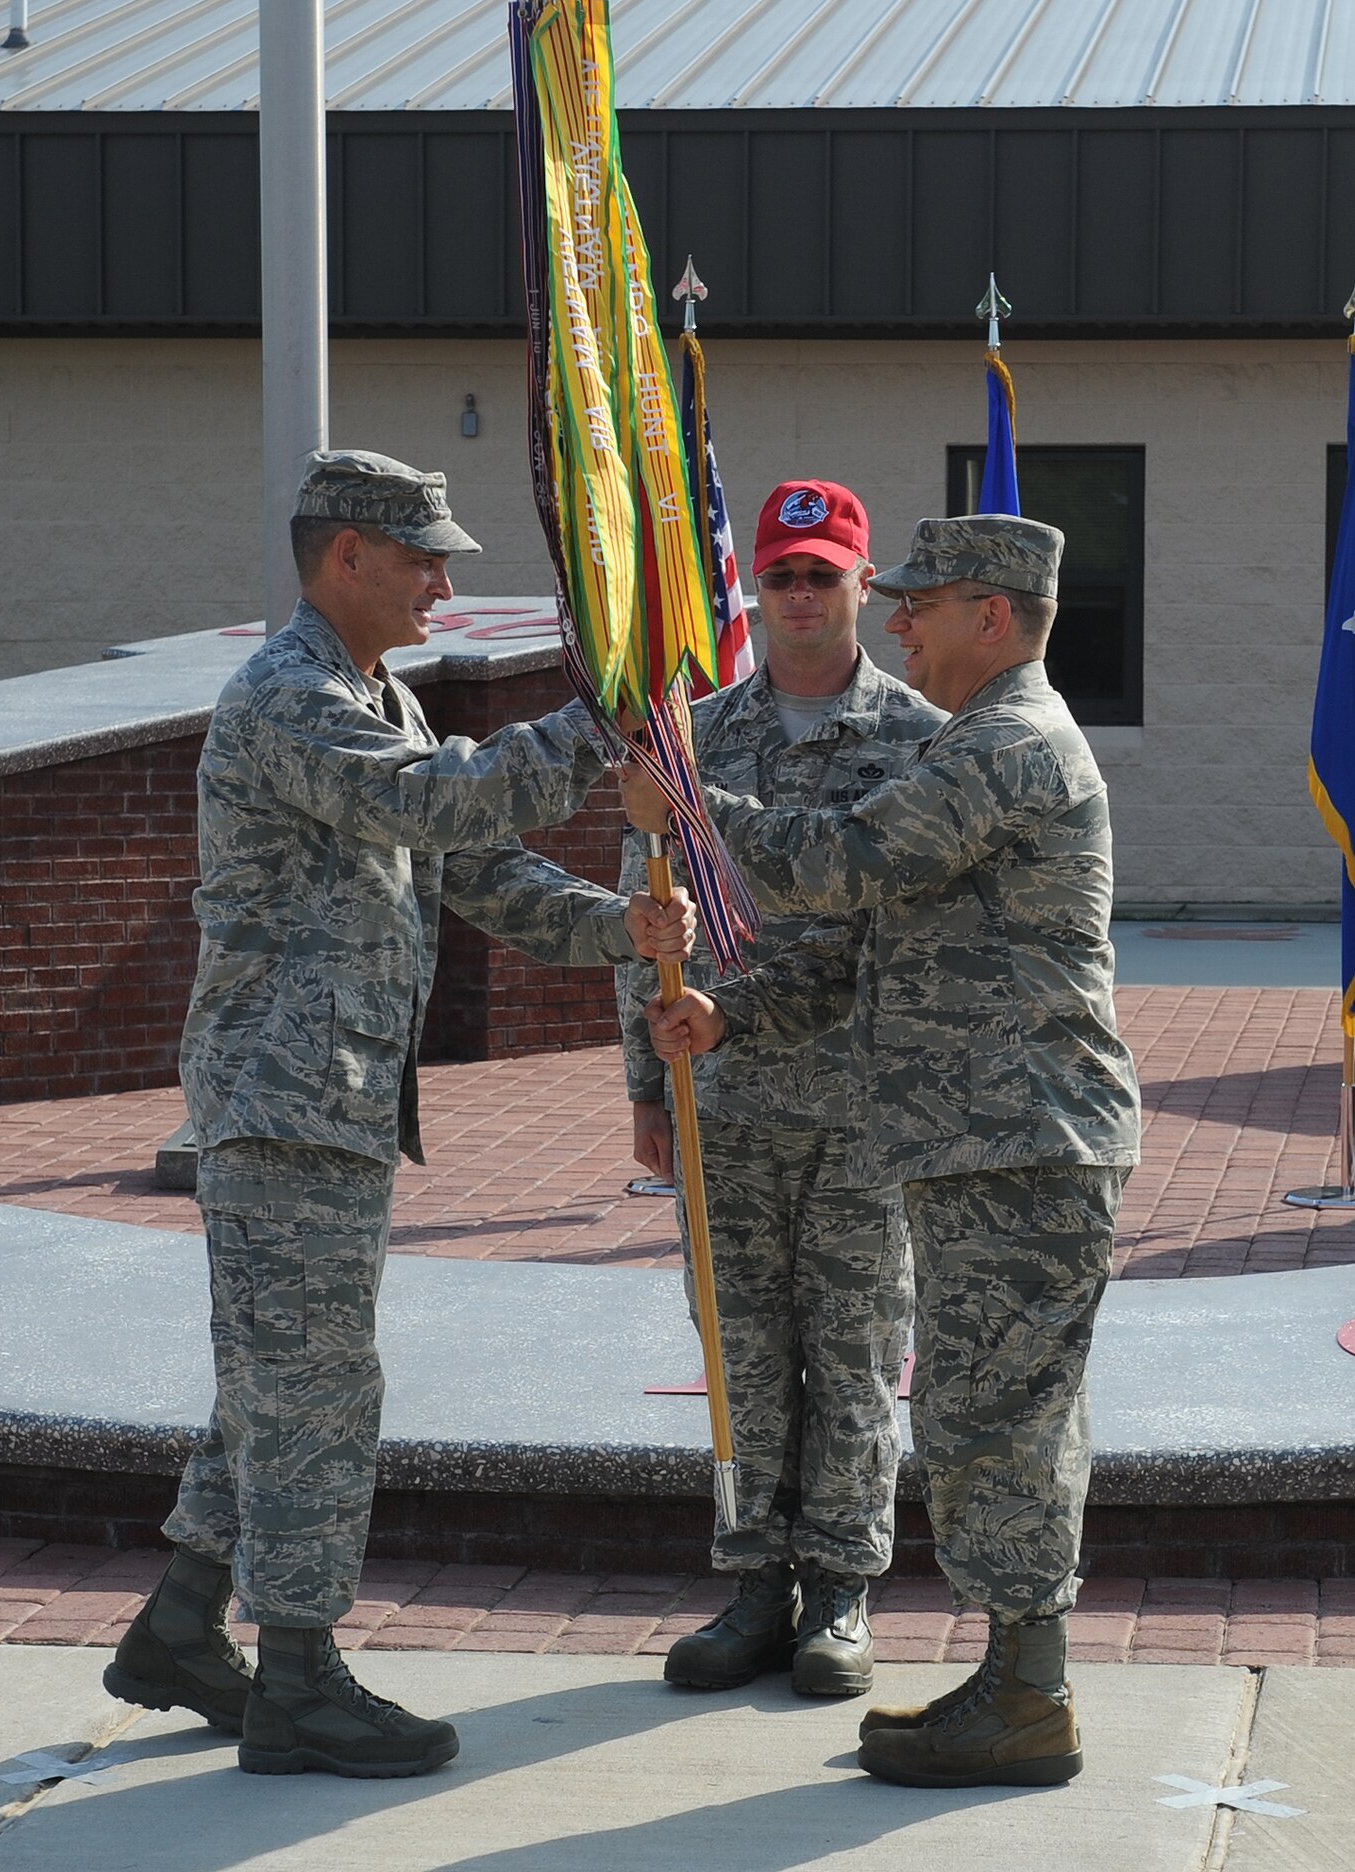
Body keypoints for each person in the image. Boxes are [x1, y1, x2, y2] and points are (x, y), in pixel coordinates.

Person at [104, 450, 694, 1780]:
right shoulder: (292, 695)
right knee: (317, 1388)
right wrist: (596, 721)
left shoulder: (378, 700)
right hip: (286, 1097)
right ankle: (301, 1677)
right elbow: (440, 804)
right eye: (423, 556)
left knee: (274, 1380)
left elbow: (477, 864)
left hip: (329, 1096)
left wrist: (624, 928)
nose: (443, 579)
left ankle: (185, 1627)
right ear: (345, 558)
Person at [628, 514, 1141, 1790]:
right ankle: (1017, 1679)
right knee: (985, 1415)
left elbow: (837, 861)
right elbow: (853, 943)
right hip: (985, 1137)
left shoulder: (1009, 746)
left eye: (922, 602)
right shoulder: (982, 738)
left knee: (998, 1421)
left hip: (1018, 1138)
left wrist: (688, 801)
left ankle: (1026, 1696)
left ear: (996, 614)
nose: (897, 622)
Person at [621, 481, 944, 1697]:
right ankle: (755, 1579)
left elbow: (875, 932)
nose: (801, 596)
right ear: (752, 590)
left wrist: (727, 1009)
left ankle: (843, 1591)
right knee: (740, 1351)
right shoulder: (692, 737)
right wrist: (644, 1074)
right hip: (722, 1105)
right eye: (782, 576)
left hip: (859, 1108)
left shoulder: (917, 738)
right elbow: (645, 915)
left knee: (855, 1349)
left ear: (864, 586)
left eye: (824, 575)